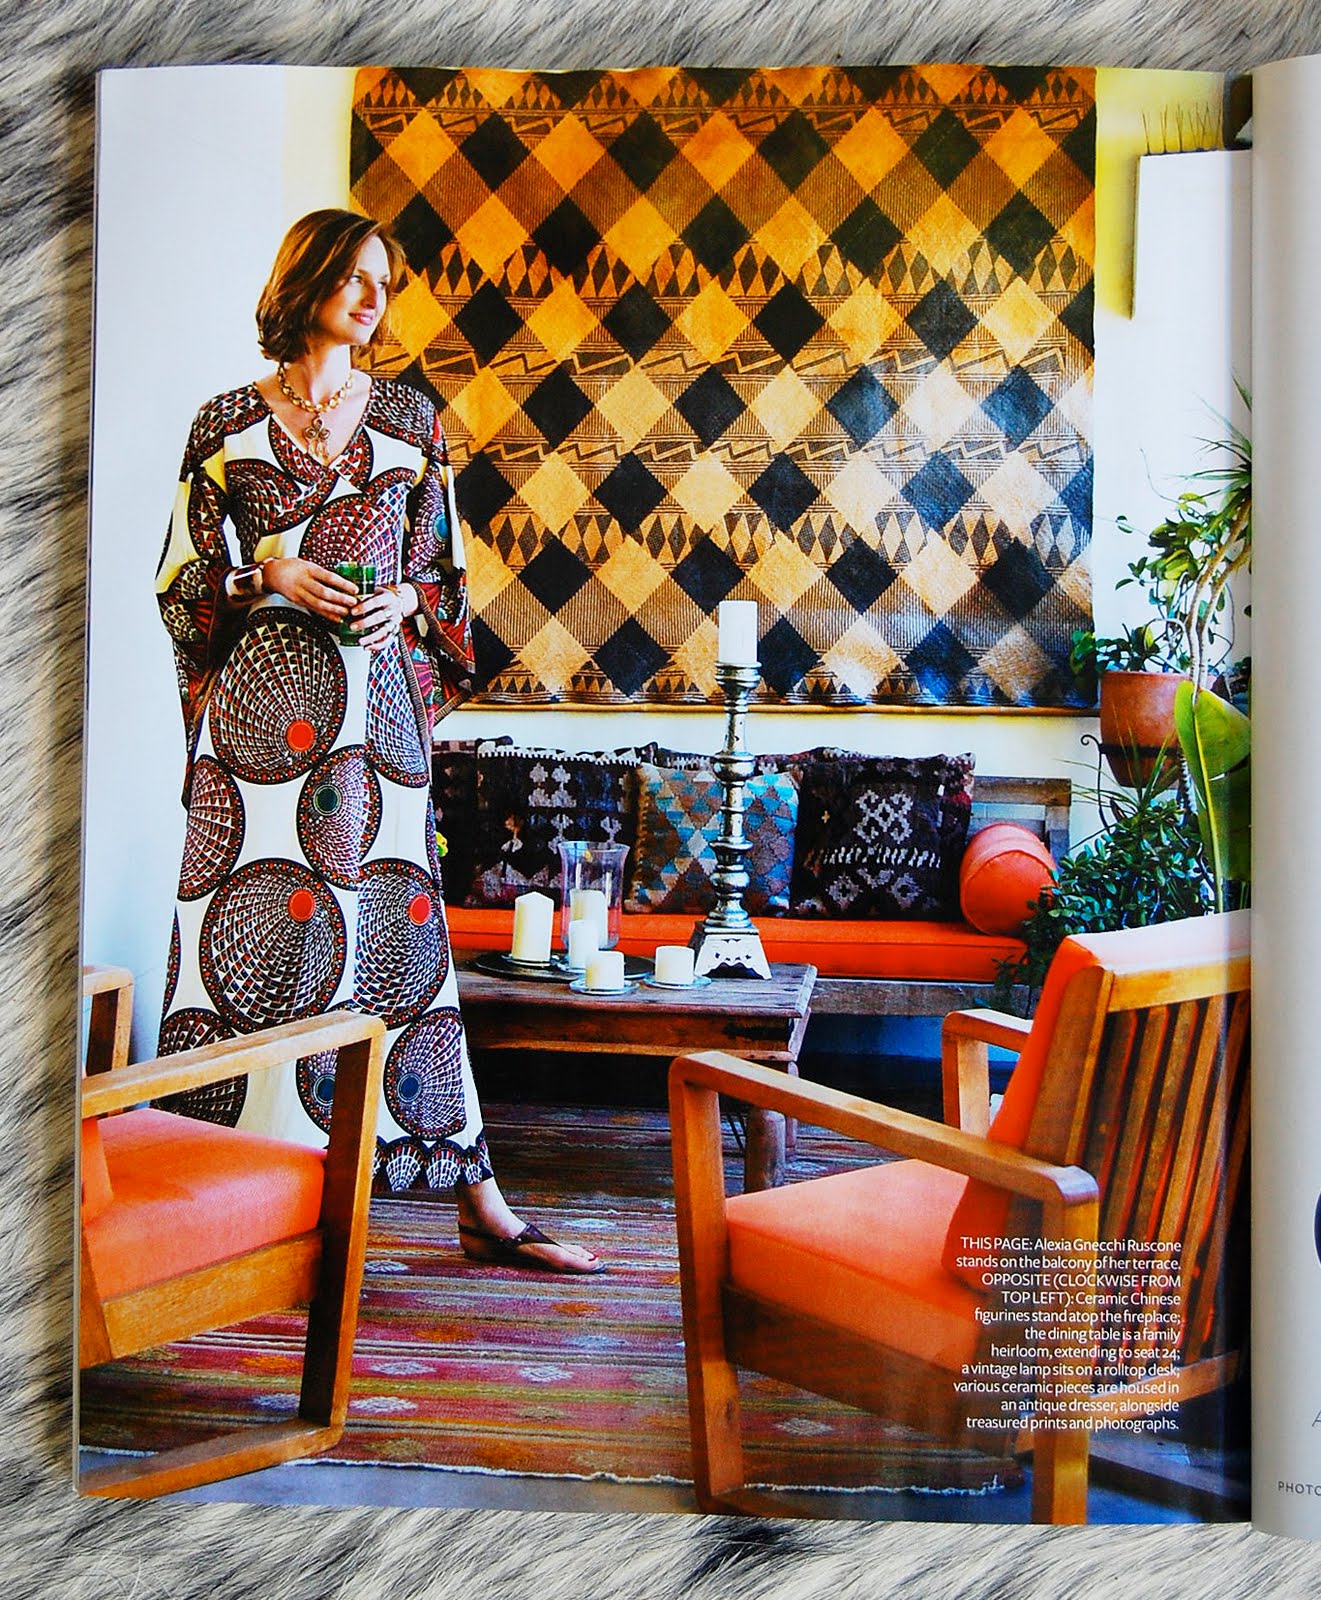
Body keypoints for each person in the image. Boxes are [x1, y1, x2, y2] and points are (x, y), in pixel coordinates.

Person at [154, 207, 603, 1273]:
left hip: (374, 722)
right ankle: (212, 1195)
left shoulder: (408, 419)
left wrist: (397, 599)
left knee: (397, 943)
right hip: (255, 733)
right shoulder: (222, 424)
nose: (372, 298)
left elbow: (442, 582)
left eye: (383, 282)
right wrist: (266, 573)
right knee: (245, 938)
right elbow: (178, 583)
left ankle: (478, 1200)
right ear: (304, 278)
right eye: (353, 276)